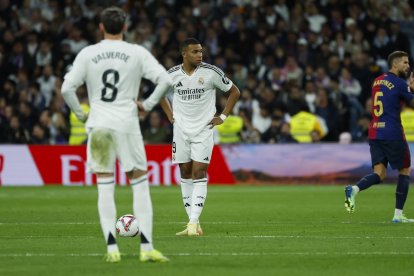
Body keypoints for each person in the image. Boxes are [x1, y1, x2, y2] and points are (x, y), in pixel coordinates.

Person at [61, 6, 172, 263]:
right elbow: (165, 80)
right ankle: (146, 248)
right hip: (127, 123)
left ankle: (112, 250)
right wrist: (147, 104)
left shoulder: (88, 53)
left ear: (101, 27)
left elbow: (67, 88)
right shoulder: (136, 52)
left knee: (105, 185)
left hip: (99, 125)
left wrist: (80, 114)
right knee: (140, 183)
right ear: (125, 27)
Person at [163, 38, 240, 236]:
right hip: (180, 130)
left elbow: (234, 91)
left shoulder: (211, 72)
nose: (200, 55)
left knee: (199, 173)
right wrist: (170, 116)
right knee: (185, 174)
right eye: (195, 52)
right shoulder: (171, 74)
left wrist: (222, 116)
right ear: (184, 54)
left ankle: (193, 222)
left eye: (200, 51)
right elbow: (159, 94)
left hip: (203, 130)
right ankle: (193, 225)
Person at [344, 51, 414, 223]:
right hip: (392, 132)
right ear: (395, 64)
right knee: (404, 170)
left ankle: (354, 189)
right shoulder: (399, 83)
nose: (408, 66)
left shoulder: (376, 81)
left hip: (375, 131)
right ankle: (398, 215)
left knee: (379, 174)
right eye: (405, 63)